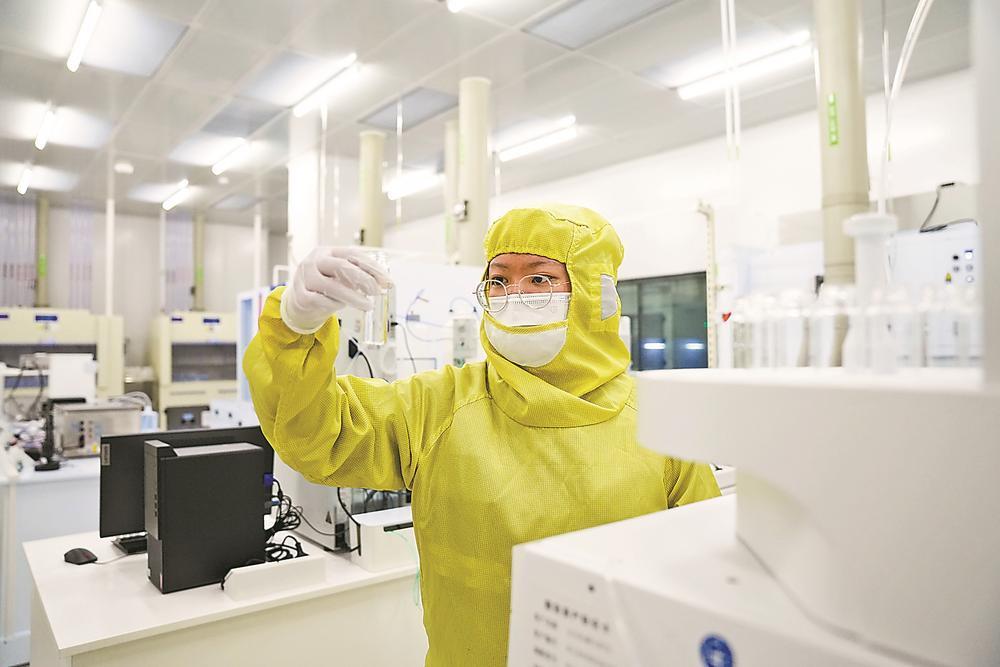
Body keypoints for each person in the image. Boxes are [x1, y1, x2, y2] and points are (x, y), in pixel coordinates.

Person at [243, 204, 720, 666]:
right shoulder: (438, 405)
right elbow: (318, 435)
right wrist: (294, 327)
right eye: (498, 280)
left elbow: (710, 580)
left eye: (539, 278)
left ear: (597, 294)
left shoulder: (661, 422)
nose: (514, 295)